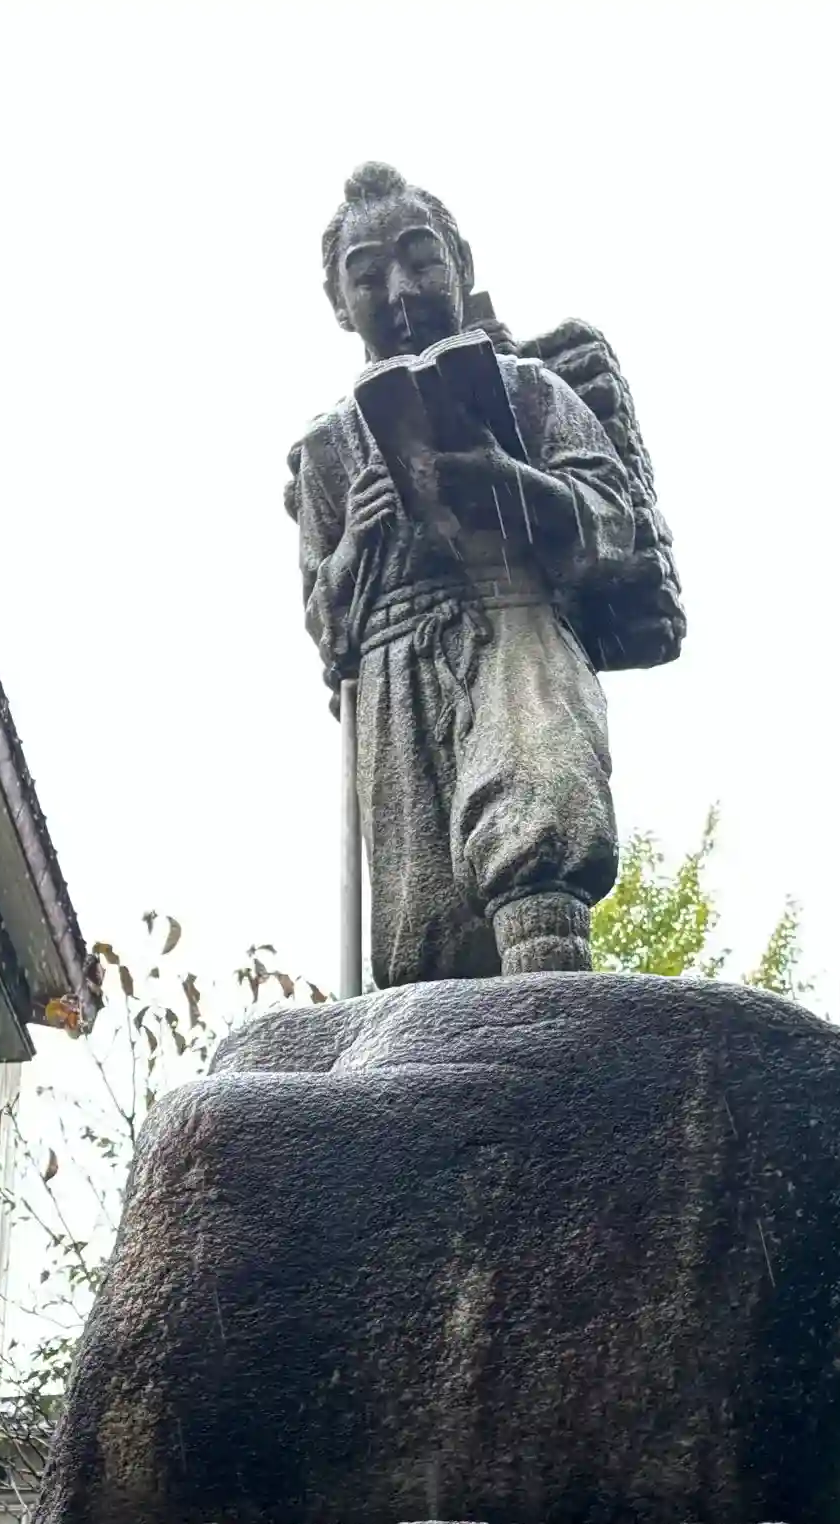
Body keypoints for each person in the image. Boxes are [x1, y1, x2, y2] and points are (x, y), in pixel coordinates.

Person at [286, 162, 634, 986]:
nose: (399, 291)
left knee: (537, 821)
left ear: (461, 264)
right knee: (423, 932)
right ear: (339, 302)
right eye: (367, 276)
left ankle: (555, 1022)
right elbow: (324, 624)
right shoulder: (328, 449)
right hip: (394, 678)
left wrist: (507, 482)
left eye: (420, 260)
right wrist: (354, 542)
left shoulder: (532, 392)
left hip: (515, 630)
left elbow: (609, 520)